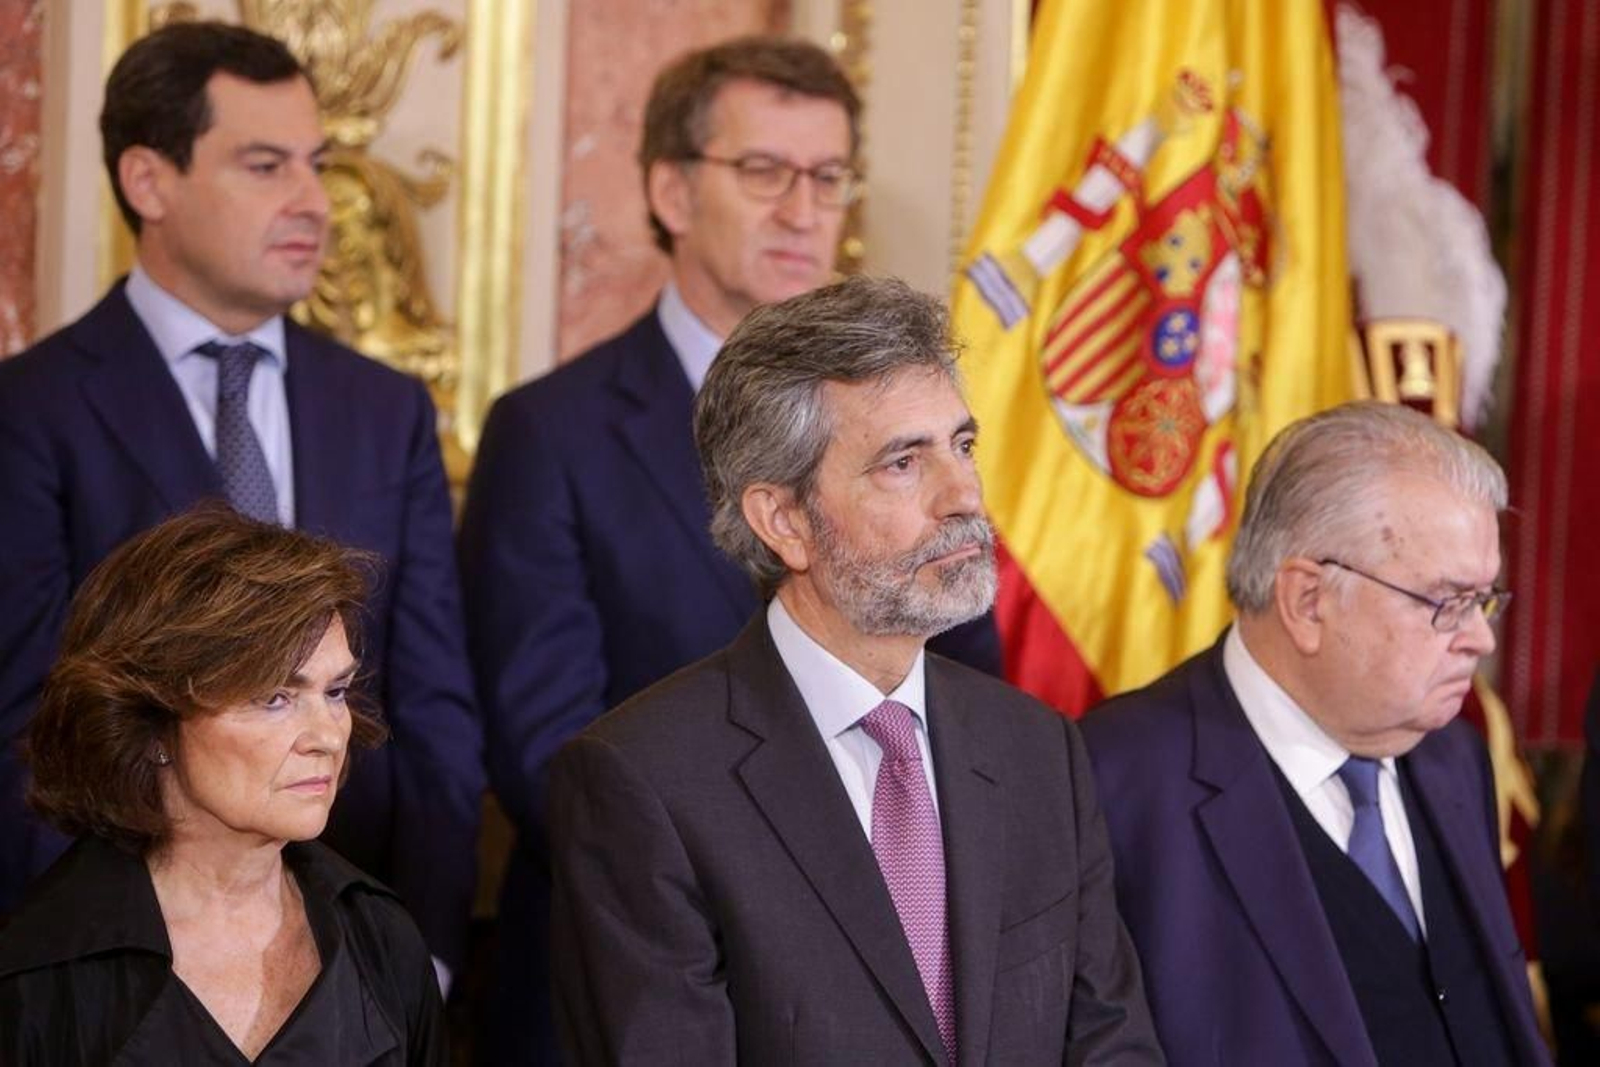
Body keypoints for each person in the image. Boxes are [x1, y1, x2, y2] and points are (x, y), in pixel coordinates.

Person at [457, 35, 998, 1060]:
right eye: (763, 172)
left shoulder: (919, 432)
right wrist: (798, 890)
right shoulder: (551, 431)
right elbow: (548, 754)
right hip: (637, 960)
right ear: (669, 187)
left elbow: (968, 688)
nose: (804, 209)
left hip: (897, 956)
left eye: (828, 176)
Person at [546, 275, 1161, 1064]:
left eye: (962, 445)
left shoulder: (1040, 750)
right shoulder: (644, 782)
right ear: (785, 521)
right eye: (903, 463)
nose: (964, 494)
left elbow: (1112, 1045)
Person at [0, 21, 482, 985]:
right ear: (148, 181)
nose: (314, 201)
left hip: (358, 940)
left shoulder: (384, 408)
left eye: (316, 162)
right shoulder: (32, 409)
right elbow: (25, 722)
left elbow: (432, 703)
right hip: (119, 955)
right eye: (265, 165)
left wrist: (422, 940)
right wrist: (72, 963)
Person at [1081, 401, 1549, 1066]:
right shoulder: (1108, 783)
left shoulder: (1454, 753)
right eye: (1447, 602)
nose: (1480, 637)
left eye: (1485, 599)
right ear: (1307, 601)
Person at [0, 507, 446, 1064]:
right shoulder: (39, 976)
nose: (328, 737)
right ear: (152, 720)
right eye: (274, 698)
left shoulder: (382, 938)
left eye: (335, 692)